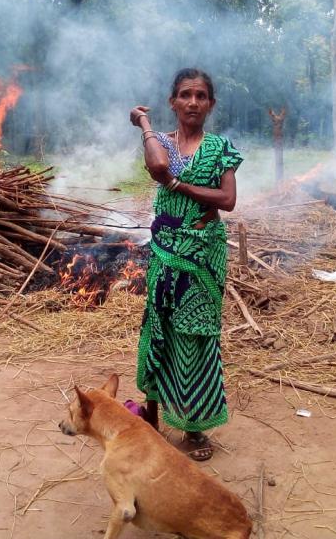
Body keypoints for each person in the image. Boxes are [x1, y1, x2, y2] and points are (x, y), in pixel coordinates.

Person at [129, 68, 243, 461]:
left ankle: (194, 427)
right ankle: (152, 415)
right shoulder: (158, 141)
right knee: (157, 327)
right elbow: (158, 167)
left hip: (203, 259)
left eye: (200, 96)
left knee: (196, 335)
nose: (193, 102)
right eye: (185, 95)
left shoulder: (221, 148)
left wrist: (178, 186)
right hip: (164, 252)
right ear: (173, 102)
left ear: (210, 103)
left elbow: (226, 200)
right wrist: (143, 121)